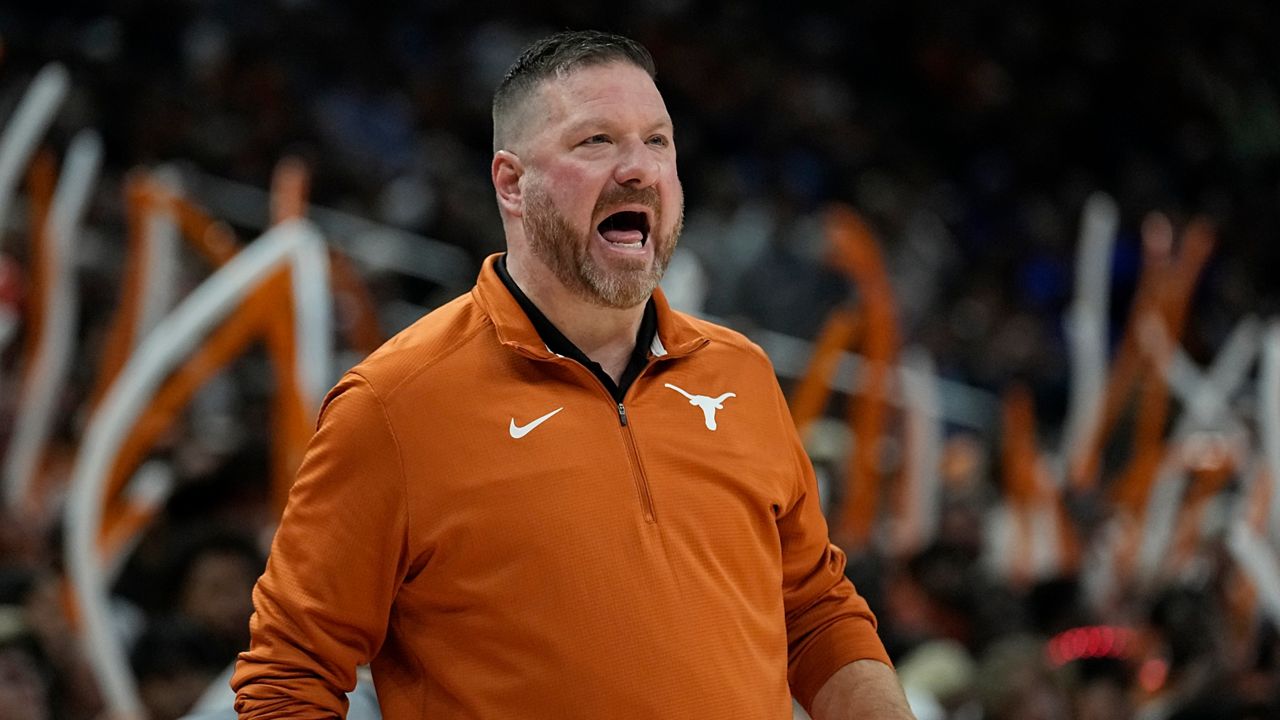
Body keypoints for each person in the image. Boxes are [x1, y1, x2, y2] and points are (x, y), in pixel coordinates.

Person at [231, 29, 914, 719]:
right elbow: (289, 678)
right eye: (597, 142)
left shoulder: (741, 374)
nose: (640, 169)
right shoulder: (393, 405)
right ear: (511, 182)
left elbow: (816, 615)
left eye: (658, 141)